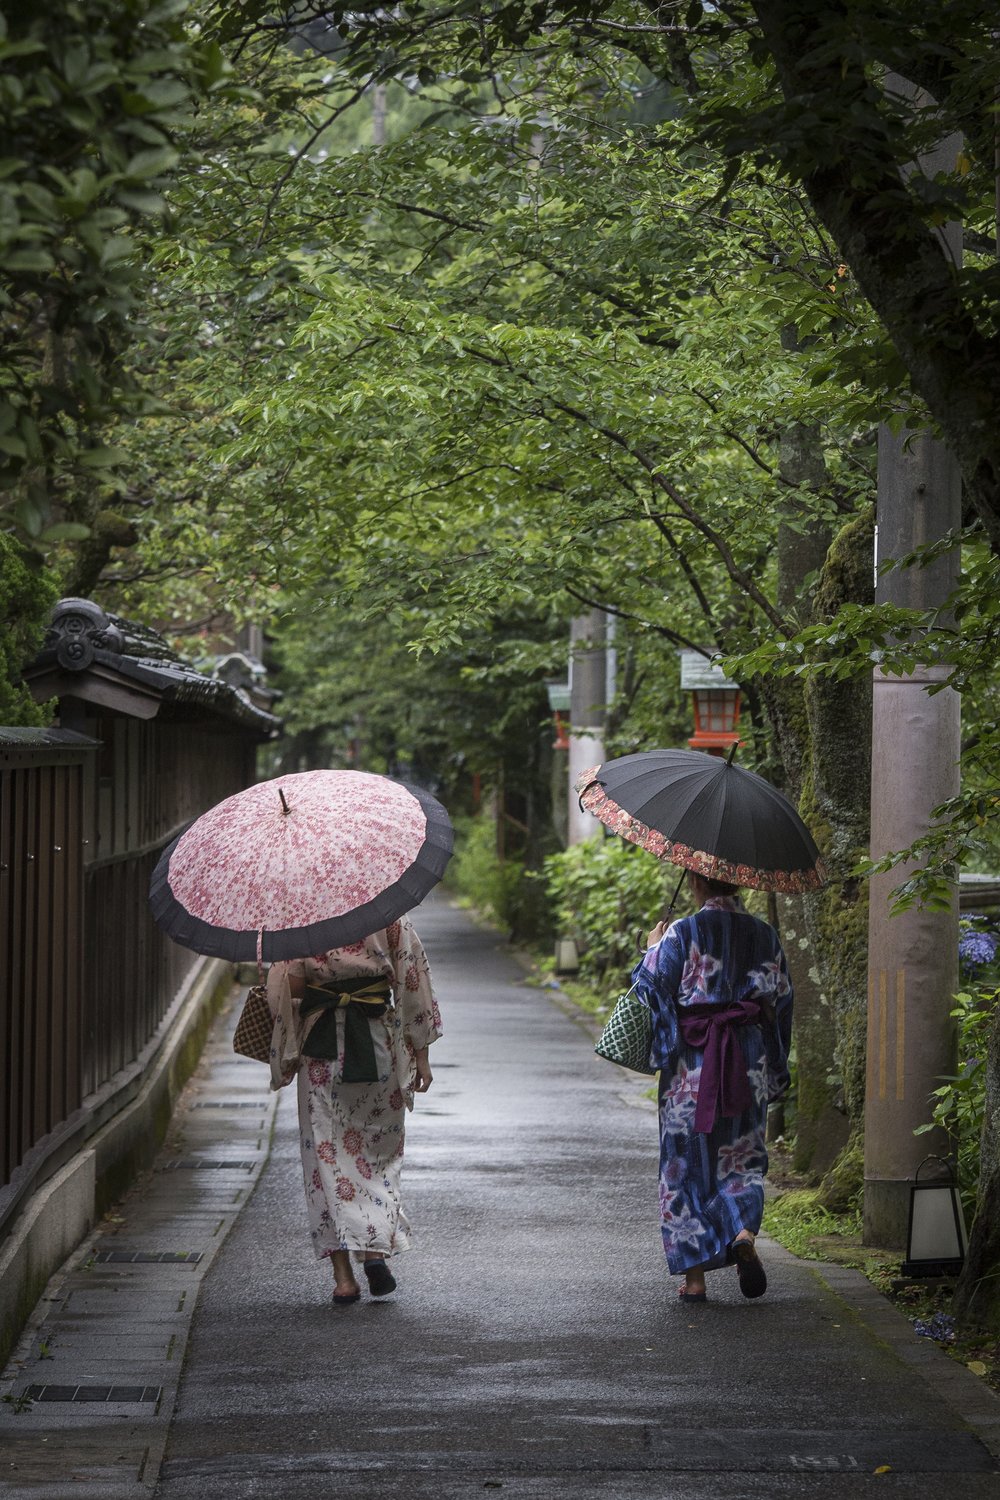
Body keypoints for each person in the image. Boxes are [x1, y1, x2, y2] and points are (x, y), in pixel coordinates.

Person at [633, 870, 793, 1303]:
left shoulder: (682, 933)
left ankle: (696, 1280)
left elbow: (651, 992)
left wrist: (651, 950)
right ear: (739, 882)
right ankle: (742, 1230)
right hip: (747, 1060)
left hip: (694, 1066)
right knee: (742, 1157)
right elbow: (780, 1004)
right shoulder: (765, 935)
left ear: (696, 884)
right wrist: (775, 1067)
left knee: (683, 1165)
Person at [266, 915, 441, 1304]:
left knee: (326, 1158)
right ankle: (376, 1252)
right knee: (377, 1153)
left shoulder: (300, 916)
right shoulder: (388, 913)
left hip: (320, 1050)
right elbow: (413, 983)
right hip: (377, 1041)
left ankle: (344, 1277)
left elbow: (287, 988)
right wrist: (422, 1056)